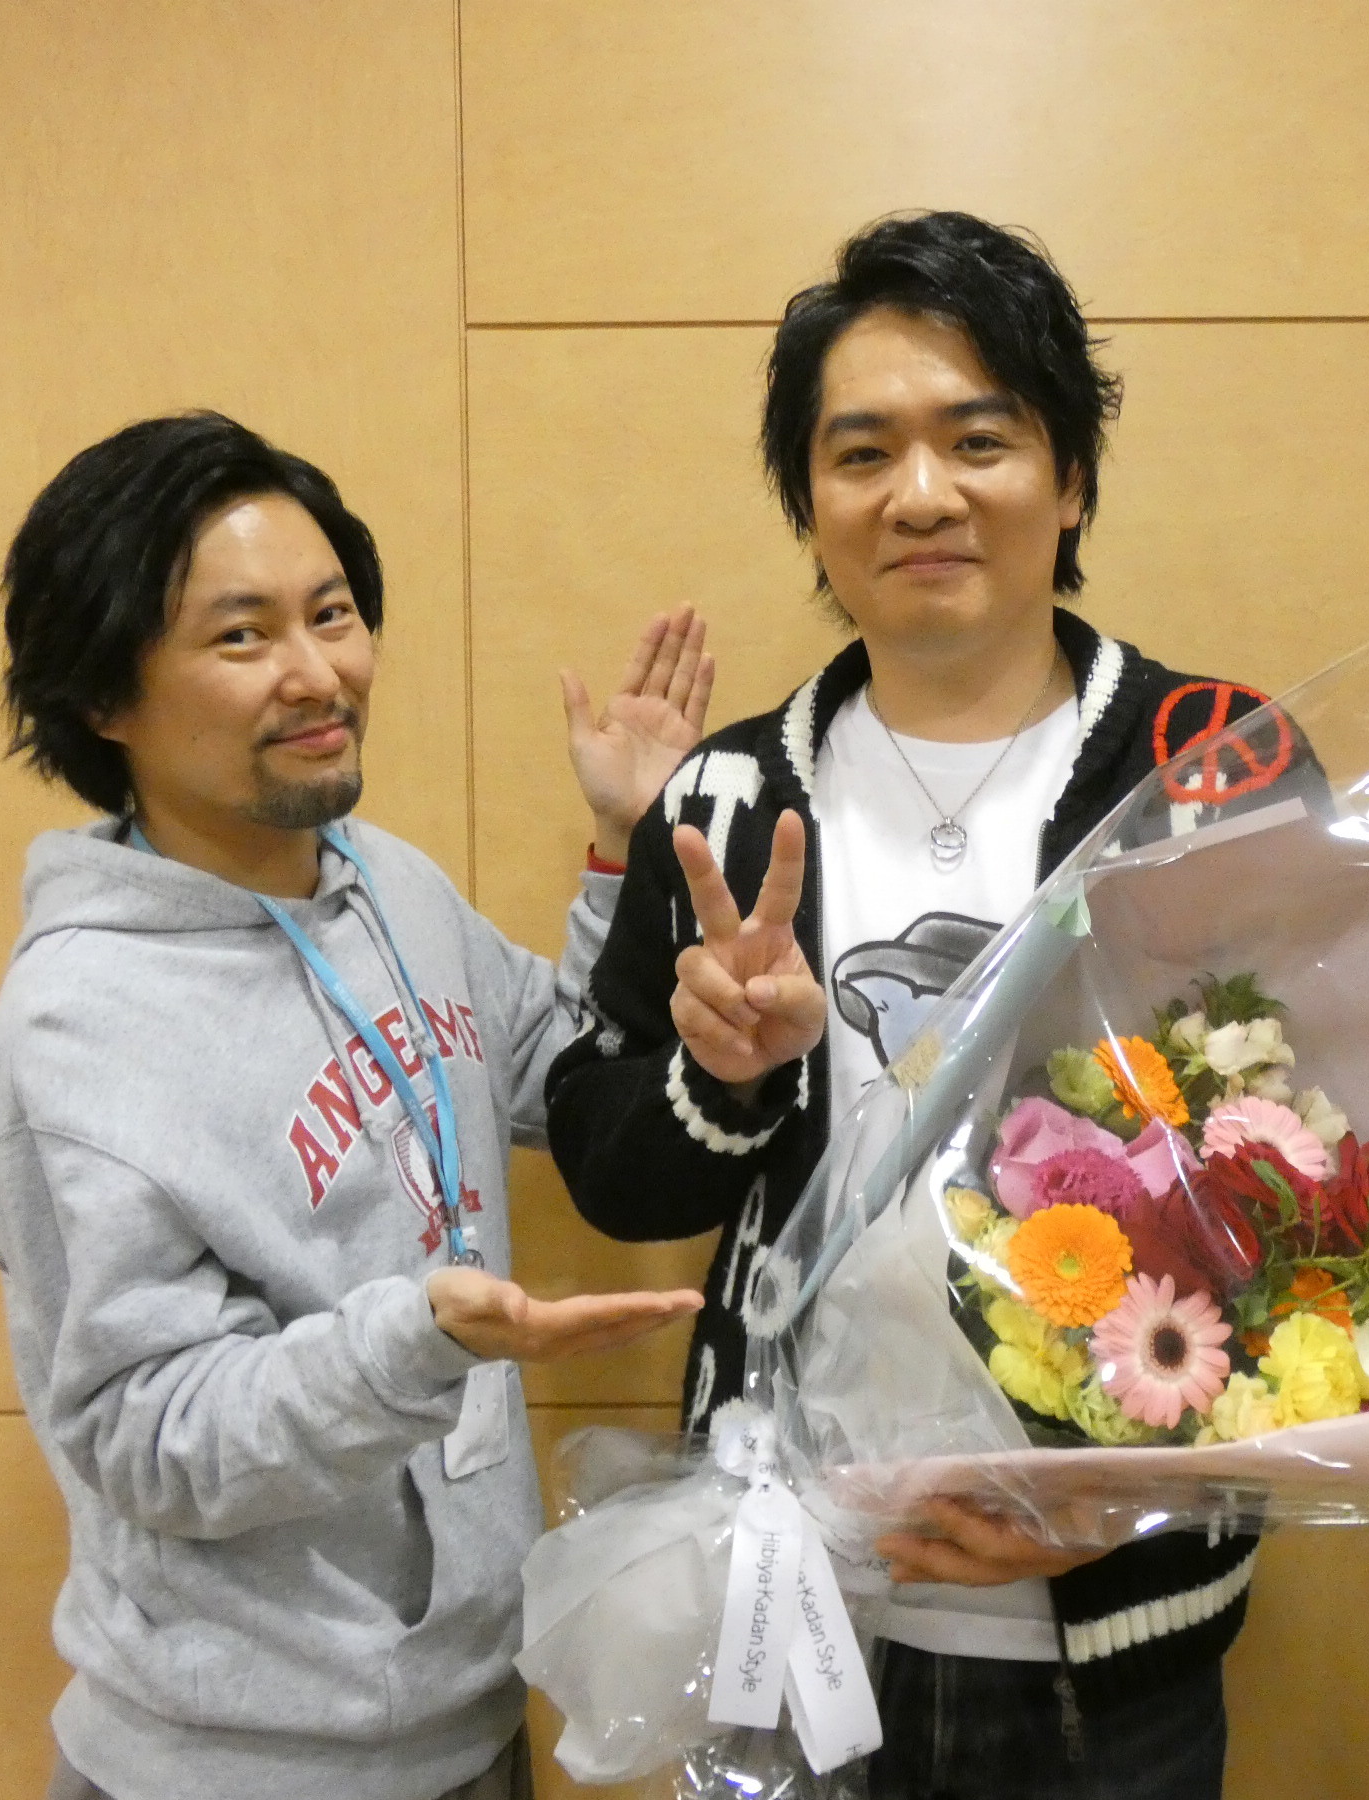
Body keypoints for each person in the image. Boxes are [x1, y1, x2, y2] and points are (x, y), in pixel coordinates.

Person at [544, 213, 1291, 1798]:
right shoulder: (725, 796)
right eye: (863, 453)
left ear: (1072, 480)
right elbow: (613, 1173)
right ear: (810, 505)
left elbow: (1323, 1184)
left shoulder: (1214, 763)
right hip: (797, 1597)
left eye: (980, 440)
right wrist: (723, 1074)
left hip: (1116, 1622)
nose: (923, 494)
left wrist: (1137, 1488)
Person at [0, 411, 712, 1800]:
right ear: (104, 697)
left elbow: (558, 1065)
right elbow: (147, 1439)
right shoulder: (72, 1036)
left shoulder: (384, 884)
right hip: (234, 1770)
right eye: (242, 635)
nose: (319, 674)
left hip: (468, 1720)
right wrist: (414, 1341)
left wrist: (624, 851)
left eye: (332, 614)